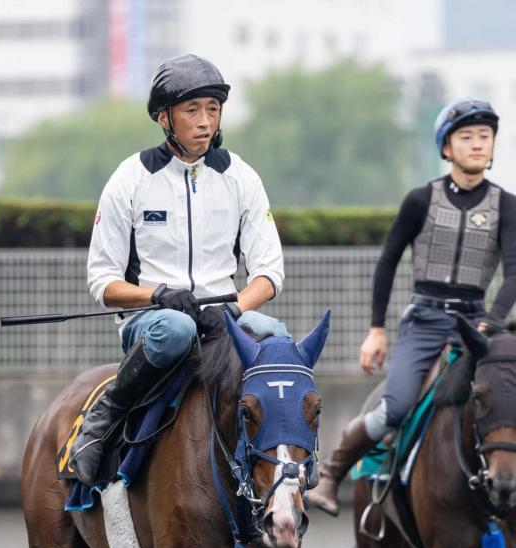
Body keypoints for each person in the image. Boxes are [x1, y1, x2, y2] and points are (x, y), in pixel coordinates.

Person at [70, 54, 286, 486]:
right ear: (164, 118)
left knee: (276, 336)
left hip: (222, 321)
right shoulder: (129, 179)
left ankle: (288, 458)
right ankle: (106, 414)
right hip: (153, 325)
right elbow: (103, 282)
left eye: (213, 109)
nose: (205, 121)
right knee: (175, 330)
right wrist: (155, 295)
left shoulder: (241, 177)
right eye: (192, 111)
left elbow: (268, 274)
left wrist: (235, 310)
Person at [308, 97, 516, 516]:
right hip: (424, 320)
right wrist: (376, 329)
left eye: (485, 137)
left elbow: (513, 272)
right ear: (445, 148)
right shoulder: (421, 199)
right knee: (398, 405)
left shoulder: (507, 205)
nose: (477, 144)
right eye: (466, 137)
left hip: (478, 325)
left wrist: (493, 323)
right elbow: (388, 261)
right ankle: (332, 472)